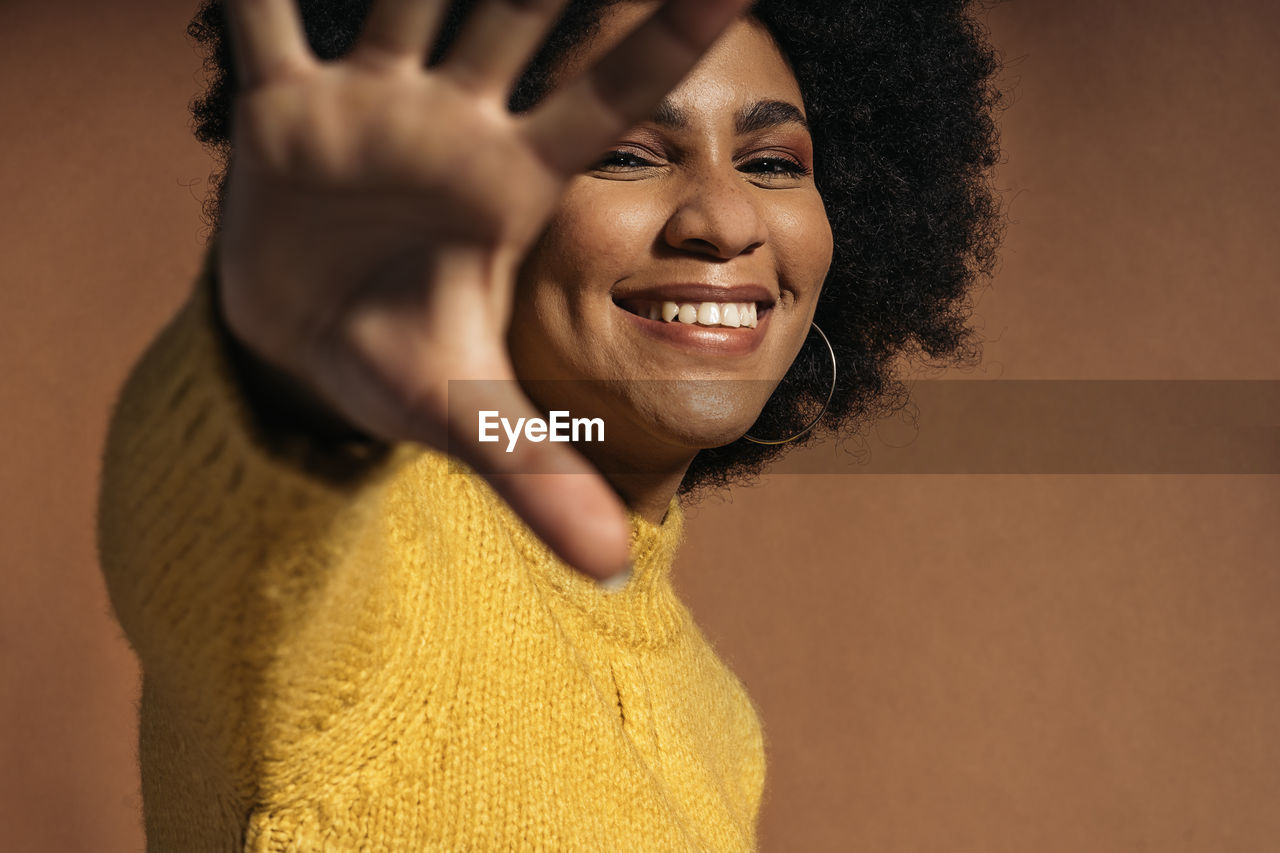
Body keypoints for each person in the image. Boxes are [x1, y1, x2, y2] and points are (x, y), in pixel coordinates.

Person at [97, 0, 1001, 849]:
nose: (726, 220)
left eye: (773, 164)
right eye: (627, 153)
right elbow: (224, 519)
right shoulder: (383, 550)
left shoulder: (717, 719)